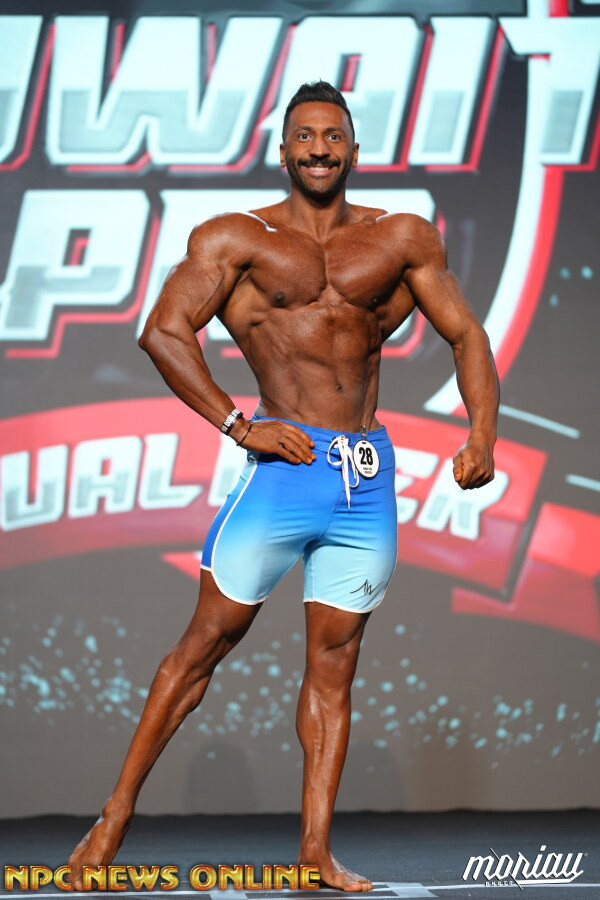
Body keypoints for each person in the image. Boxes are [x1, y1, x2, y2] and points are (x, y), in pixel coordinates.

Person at [67, 80, 499, 892]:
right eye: (305, 136)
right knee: (204, 646)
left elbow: (467, 334)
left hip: (364, 481)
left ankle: (314, 853)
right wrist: (238, 425)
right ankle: (112, 820)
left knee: (335, 667)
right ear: (284, 149)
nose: (319, 149)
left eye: (332, 136)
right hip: (282, 474)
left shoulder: (401, 238)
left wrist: (481, 434)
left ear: (354, 149)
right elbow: (162, 332)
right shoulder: (238, 238)